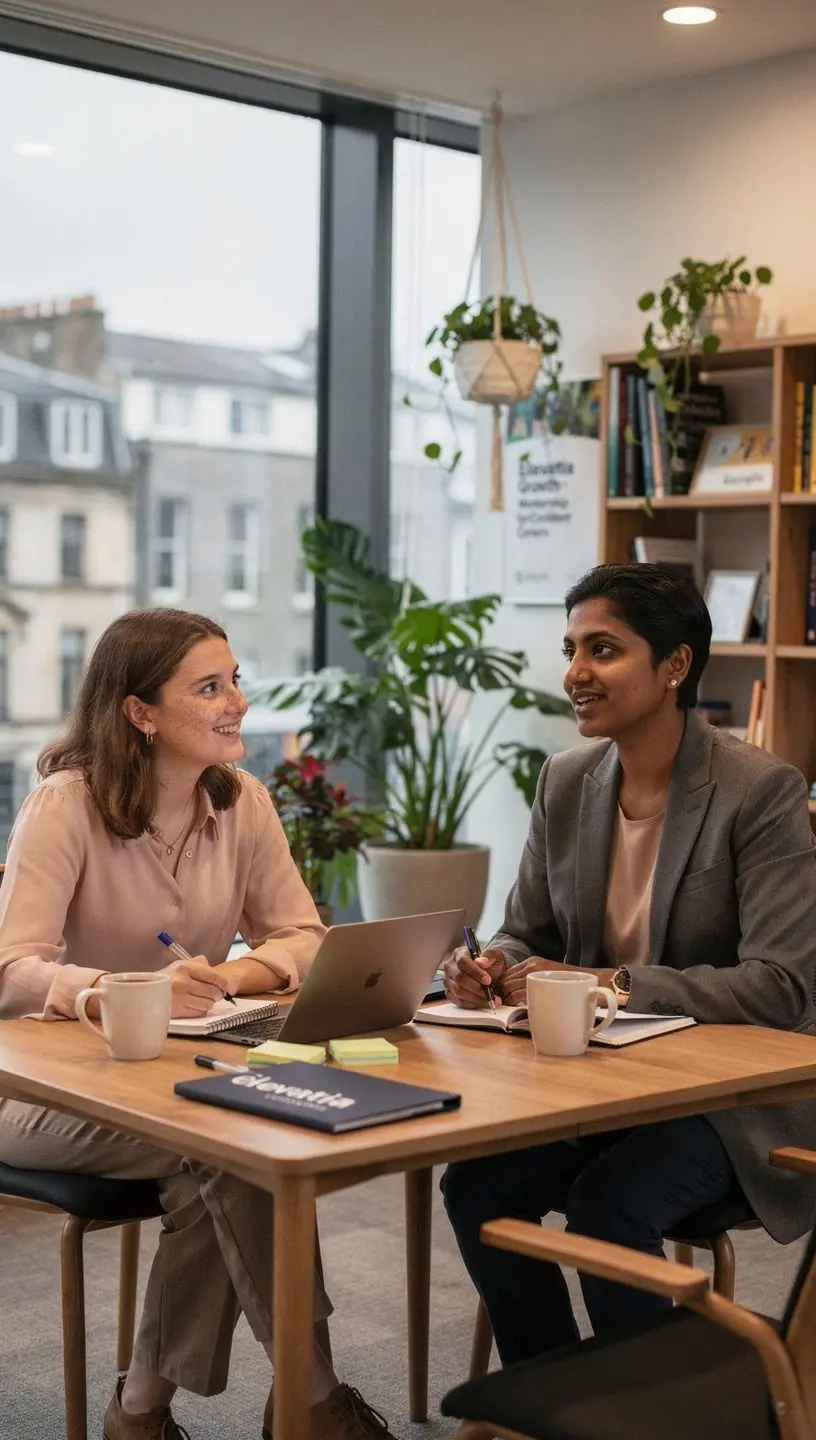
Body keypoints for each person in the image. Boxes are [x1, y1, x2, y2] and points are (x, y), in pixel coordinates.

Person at [0, 609, 399, 1440]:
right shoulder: (63, 805)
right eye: (209, 687)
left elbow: (302, 936)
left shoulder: (242, 800)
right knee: (236, 1151)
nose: (238, 704)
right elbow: (11, 971)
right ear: (140, 713)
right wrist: (115, 990)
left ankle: (141, 1408)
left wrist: (232, 974)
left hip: (179, 1083)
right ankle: (314, 1396)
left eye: (236, 681)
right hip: (42, 1096)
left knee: (221, 1156)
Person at [441, 564, 816, 1366]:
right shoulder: (567, 780)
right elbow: (524, 931)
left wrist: (609, 982)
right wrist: (486, 966)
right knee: (475, 1185)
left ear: (675, 665)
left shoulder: (761, 791)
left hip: (731, 1102)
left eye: (602, 650)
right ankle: (553, 1392)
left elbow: (783, 988)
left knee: (608, 1201)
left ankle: (653, 1411)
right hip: (600, 1084)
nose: (575, 673)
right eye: (572, 648)